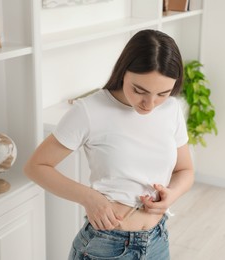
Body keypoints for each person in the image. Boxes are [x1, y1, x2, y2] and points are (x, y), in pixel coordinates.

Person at [24, 29, 194, 260]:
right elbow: (36, 167)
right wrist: (89, 197)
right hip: (107, 246)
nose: (149, 104)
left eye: (162, 93)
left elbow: (185, 170)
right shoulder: (90, 110)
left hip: (157, 240)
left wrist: (170, 195)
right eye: (139, 90)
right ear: (123, 72)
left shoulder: (171, 109)